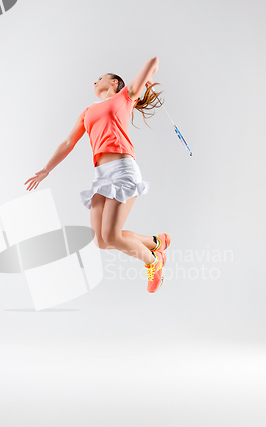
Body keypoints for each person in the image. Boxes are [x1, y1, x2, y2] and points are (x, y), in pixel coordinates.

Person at [24, 57, 171, 293]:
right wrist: (46, 169)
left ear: (114, 82)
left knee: (112, 236)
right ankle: (157, 242)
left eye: (100, 78)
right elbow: (68, 142)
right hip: (101, 175)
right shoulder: (88, 111)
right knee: (102, 241)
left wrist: (148, 77)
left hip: (123, 168)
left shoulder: (126, 97)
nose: (95, 80)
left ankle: (154, 261)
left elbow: (153, 61)